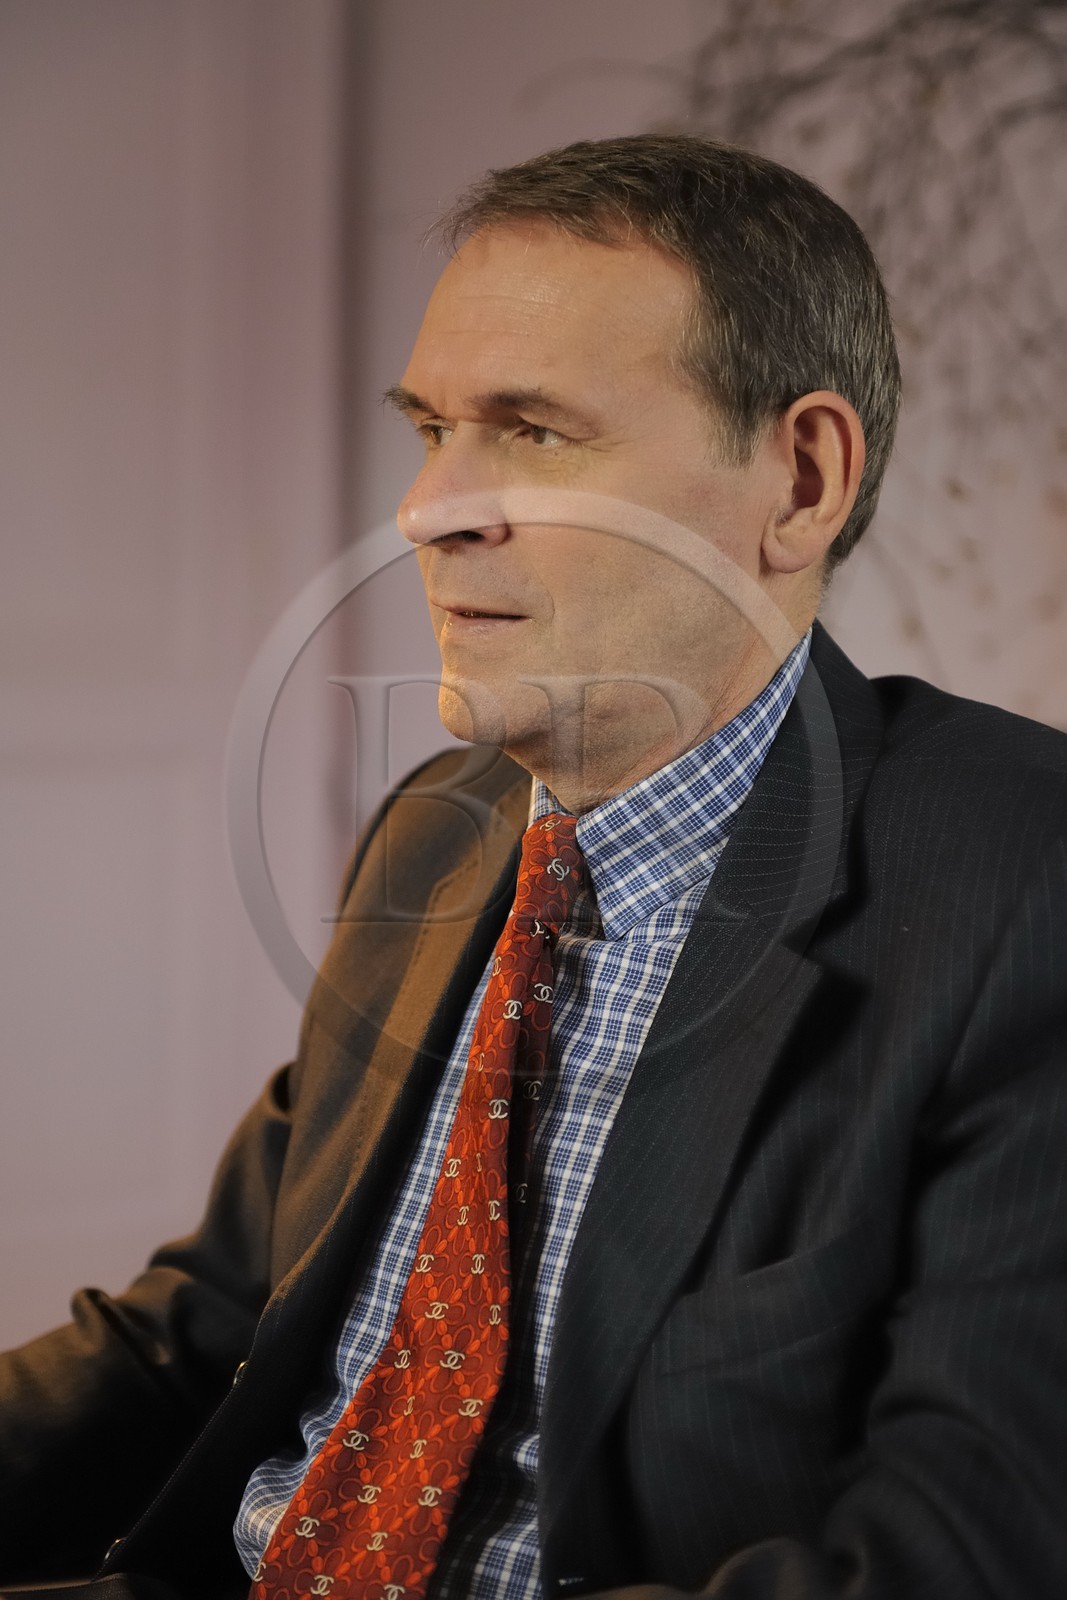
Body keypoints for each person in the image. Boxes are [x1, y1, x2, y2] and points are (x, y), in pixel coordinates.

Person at [1, 134, 1065, 1600]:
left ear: (802, 481)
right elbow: (212, 1325)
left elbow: (946, 1564)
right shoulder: (441, 829)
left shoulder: (1026, 885)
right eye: (431, 427)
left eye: (536, 432)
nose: (430, 508)